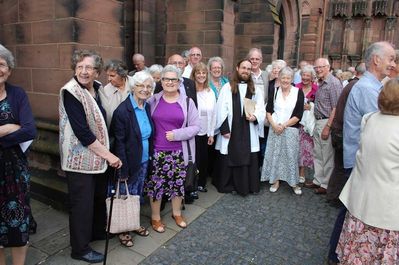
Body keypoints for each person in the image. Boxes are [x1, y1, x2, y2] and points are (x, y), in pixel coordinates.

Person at [327, 41, 396, 265]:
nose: (393, 64)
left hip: (363, 163)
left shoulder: (371, 86)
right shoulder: (368, 89)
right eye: (391, 59)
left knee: (351, 210)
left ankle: (337, 253)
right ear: (376, 59)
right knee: (352, 211)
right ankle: (336, 254)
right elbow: (381, 130)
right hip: (363, 164)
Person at [59, 49, 122, 263]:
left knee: (96, 199)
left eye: (89, 68)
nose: (83, 72)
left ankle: (95, 233)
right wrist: (110, 156)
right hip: (80, 160)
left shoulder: (97, 88)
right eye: (79, 67)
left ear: (97, 72)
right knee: (81, 205)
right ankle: (80, 249)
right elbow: (83, 133)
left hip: (98, 159)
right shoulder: (71, 92)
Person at [144, 65, 200, 233]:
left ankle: (177, 214)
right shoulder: (153, 100)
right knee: (156, 186)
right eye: (166, 79)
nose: (169, 82)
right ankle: (155, 217)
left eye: (173, 79)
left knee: (178, 185)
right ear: (161, 81)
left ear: (179, 81)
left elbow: (196, 126)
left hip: (180, 151)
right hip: (156, 152)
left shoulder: (187, 102)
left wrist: (177, 134)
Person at [0, 44, 36, 265]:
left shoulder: (17, 93)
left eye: (2, 64)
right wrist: (10, 127)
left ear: (9, 70)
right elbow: (20, 129)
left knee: (18, 221)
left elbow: (30, 130)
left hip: (15, 172)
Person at [109, 71, 154, 247]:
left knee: (136, 194)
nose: (145, 89)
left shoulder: (147, 106)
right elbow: (118, 143)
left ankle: (133, 223)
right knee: (125, 195)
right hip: (128, 161)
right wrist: (123, 169)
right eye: (141, 86)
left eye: (149, 86)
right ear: (133, 87)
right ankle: (123, 229)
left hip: (143, 160)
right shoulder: (122, 111)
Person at [214, 59, 266, 196]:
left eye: (249, 69)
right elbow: (220, 109)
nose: (246, 71)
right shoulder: (228, 87)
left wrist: (255, 116)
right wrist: (224, 128)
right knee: (229, 153)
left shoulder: (255, 90)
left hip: (249, 130)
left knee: (249, 153)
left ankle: (249, 186)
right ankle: (229, 185)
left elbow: (261, 109)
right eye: (243, 68)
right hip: (231, 131)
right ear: (237, 68)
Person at [326, 62, 366, 204]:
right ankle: (336, 197)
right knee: (343, 167)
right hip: (343, 132)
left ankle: (332, 194)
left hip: (339, 130)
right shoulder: (357, 86)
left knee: (339, 166)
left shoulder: (352, 84)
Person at [261, 67, 304, 195]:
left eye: (288, 78)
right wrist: (274, 125)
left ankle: (293, 182)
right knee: (276, 155)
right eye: (283, 77)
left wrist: (283, 126)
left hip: (290, 129)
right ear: (279, 78)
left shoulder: (298, 92)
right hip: (275, 128)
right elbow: (269, 110)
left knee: (291, 156)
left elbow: (298, 114)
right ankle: (275, 180)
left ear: (292, 79)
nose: (285, 80)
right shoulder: (274, 91)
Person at [304, 58, 342, 195]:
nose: (318, 69)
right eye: (316, 67)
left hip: (326, 122)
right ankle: (318, 180)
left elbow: (336, 108)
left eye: (321, 67)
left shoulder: (333, 83)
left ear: (328, 67)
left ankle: (326, 184)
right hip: (318, 121)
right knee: (318, 154)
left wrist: (328, 126)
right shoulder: (320, 83)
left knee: (327, 155)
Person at [190, 62, 216, 193]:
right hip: (192, 131)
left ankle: (201, 183)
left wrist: (211, 133)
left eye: (203, 73)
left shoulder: (210, 91)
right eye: (198, 72)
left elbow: (214, 113)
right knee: (193, 158)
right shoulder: (190, 91)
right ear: (194, 74)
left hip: (205, 130)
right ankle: (191, 184)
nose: (201, 75)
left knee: (204, 159)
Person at [295, 65, 318, 183]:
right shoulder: (295, 87)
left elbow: (320, 105)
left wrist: (311, 107)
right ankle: (300, 172)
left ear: (312, 77)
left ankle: (311, 174)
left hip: (309, 124)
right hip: (297, 122)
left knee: (309, 149)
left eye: (307, 75)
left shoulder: (316, 89)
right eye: (303, 75)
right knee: (298, 148)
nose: (305, 78)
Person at [99, 59, 131, 127]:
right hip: (115, 131)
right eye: (108, 75)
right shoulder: (106, 90)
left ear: (122, 75)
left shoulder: (135, 84)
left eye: (112, 76)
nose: (109, 79)